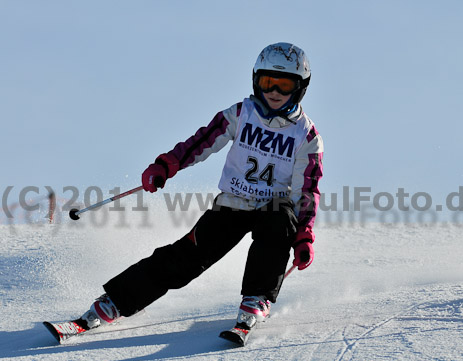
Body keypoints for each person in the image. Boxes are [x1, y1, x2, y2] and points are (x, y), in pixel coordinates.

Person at [77, 42, 324, 333]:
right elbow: (201, 142)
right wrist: (167, 165)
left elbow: (306, 191)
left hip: (273, 207)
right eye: (268, 82)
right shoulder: (241, 114)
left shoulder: (306, 136)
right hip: (233, 204)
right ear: (256, 80)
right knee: (185, 260)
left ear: (299, 88)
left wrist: (304, 235)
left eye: (284, 85)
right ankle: (115, 302)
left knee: (280, 223)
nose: (274, 92)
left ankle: (256, 299)